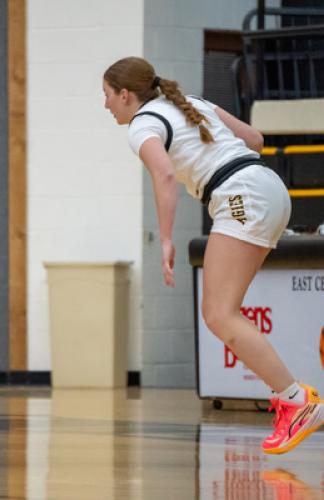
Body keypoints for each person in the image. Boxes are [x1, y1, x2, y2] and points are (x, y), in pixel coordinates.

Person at [103, 56, 323, 454]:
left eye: (107, 96)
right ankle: (293, 399)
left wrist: (166, 239)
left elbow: (165, 175)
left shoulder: (142, 124)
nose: (105, 106)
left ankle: (296, 401)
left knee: (218, 314)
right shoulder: (190, 101)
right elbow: (255, 139)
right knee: (226, 310)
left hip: (241, 196)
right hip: (268, 186)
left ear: (124, 94)